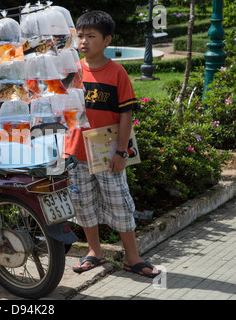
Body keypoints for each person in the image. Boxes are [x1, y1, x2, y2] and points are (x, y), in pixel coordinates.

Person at [67, 10, 160, 278]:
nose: (83, 41)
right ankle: (94, 252)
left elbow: (126, 115)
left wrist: (121, 152)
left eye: (91, 36)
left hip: (107, 151)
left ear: (107, 40)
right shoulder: (71, 71)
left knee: (119, 203)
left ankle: (132, 257)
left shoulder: (117, 72)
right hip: (75, 150)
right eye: (80, 36)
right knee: (83, 203)